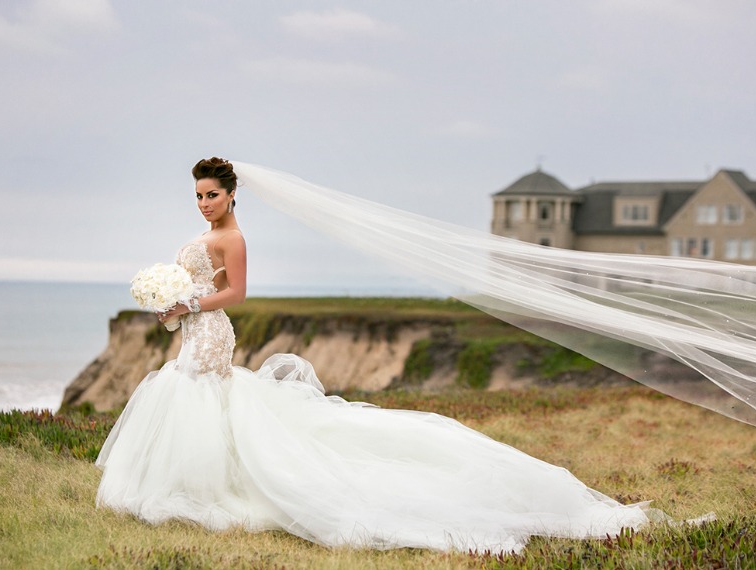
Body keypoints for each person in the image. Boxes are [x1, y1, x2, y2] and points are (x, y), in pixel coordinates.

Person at [95, 157, 669, 554]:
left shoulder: (234, 239)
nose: (203, 204)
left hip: (213, 331)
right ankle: (196, 480)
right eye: (197, 196)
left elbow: (237, 295)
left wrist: (192, 300)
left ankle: (214, 487)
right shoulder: (205, 233)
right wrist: (172, 306)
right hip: (194, 327)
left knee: (204, 397)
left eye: (211, 195)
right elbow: (199, 288)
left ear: (232, 195)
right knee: (195, 400)